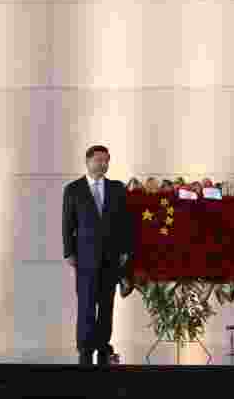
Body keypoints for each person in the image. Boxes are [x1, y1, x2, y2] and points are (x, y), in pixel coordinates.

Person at [62, 145, 133, 365]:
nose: (103, 164)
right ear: (88, 161)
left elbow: (125, 222)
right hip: (84, 258)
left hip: (111, 257)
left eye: (106, 160)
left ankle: (103, 346)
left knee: (106, 304)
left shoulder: (117, 188)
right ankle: (85, 348)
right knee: (86, 304)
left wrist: (124, 250)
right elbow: (67, 223)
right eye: (99, 160)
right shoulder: (73, 189)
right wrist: (68, 252)